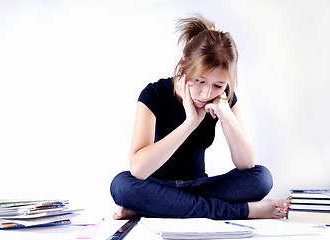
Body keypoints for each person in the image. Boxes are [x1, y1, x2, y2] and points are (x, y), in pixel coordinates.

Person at [110, 13, 286, 220]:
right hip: (155, 185)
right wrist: (191, 122)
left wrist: (226, 115)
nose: (206, 93)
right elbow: (139, 170)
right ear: (183, 66)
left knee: (262, 179)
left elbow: (246, 164)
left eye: (218, 85)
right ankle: (243, 211)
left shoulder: (224, 98)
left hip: (199, 186)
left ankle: (159, 207)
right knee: (122, 186)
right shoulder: (153, 94)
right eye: (199, 81)